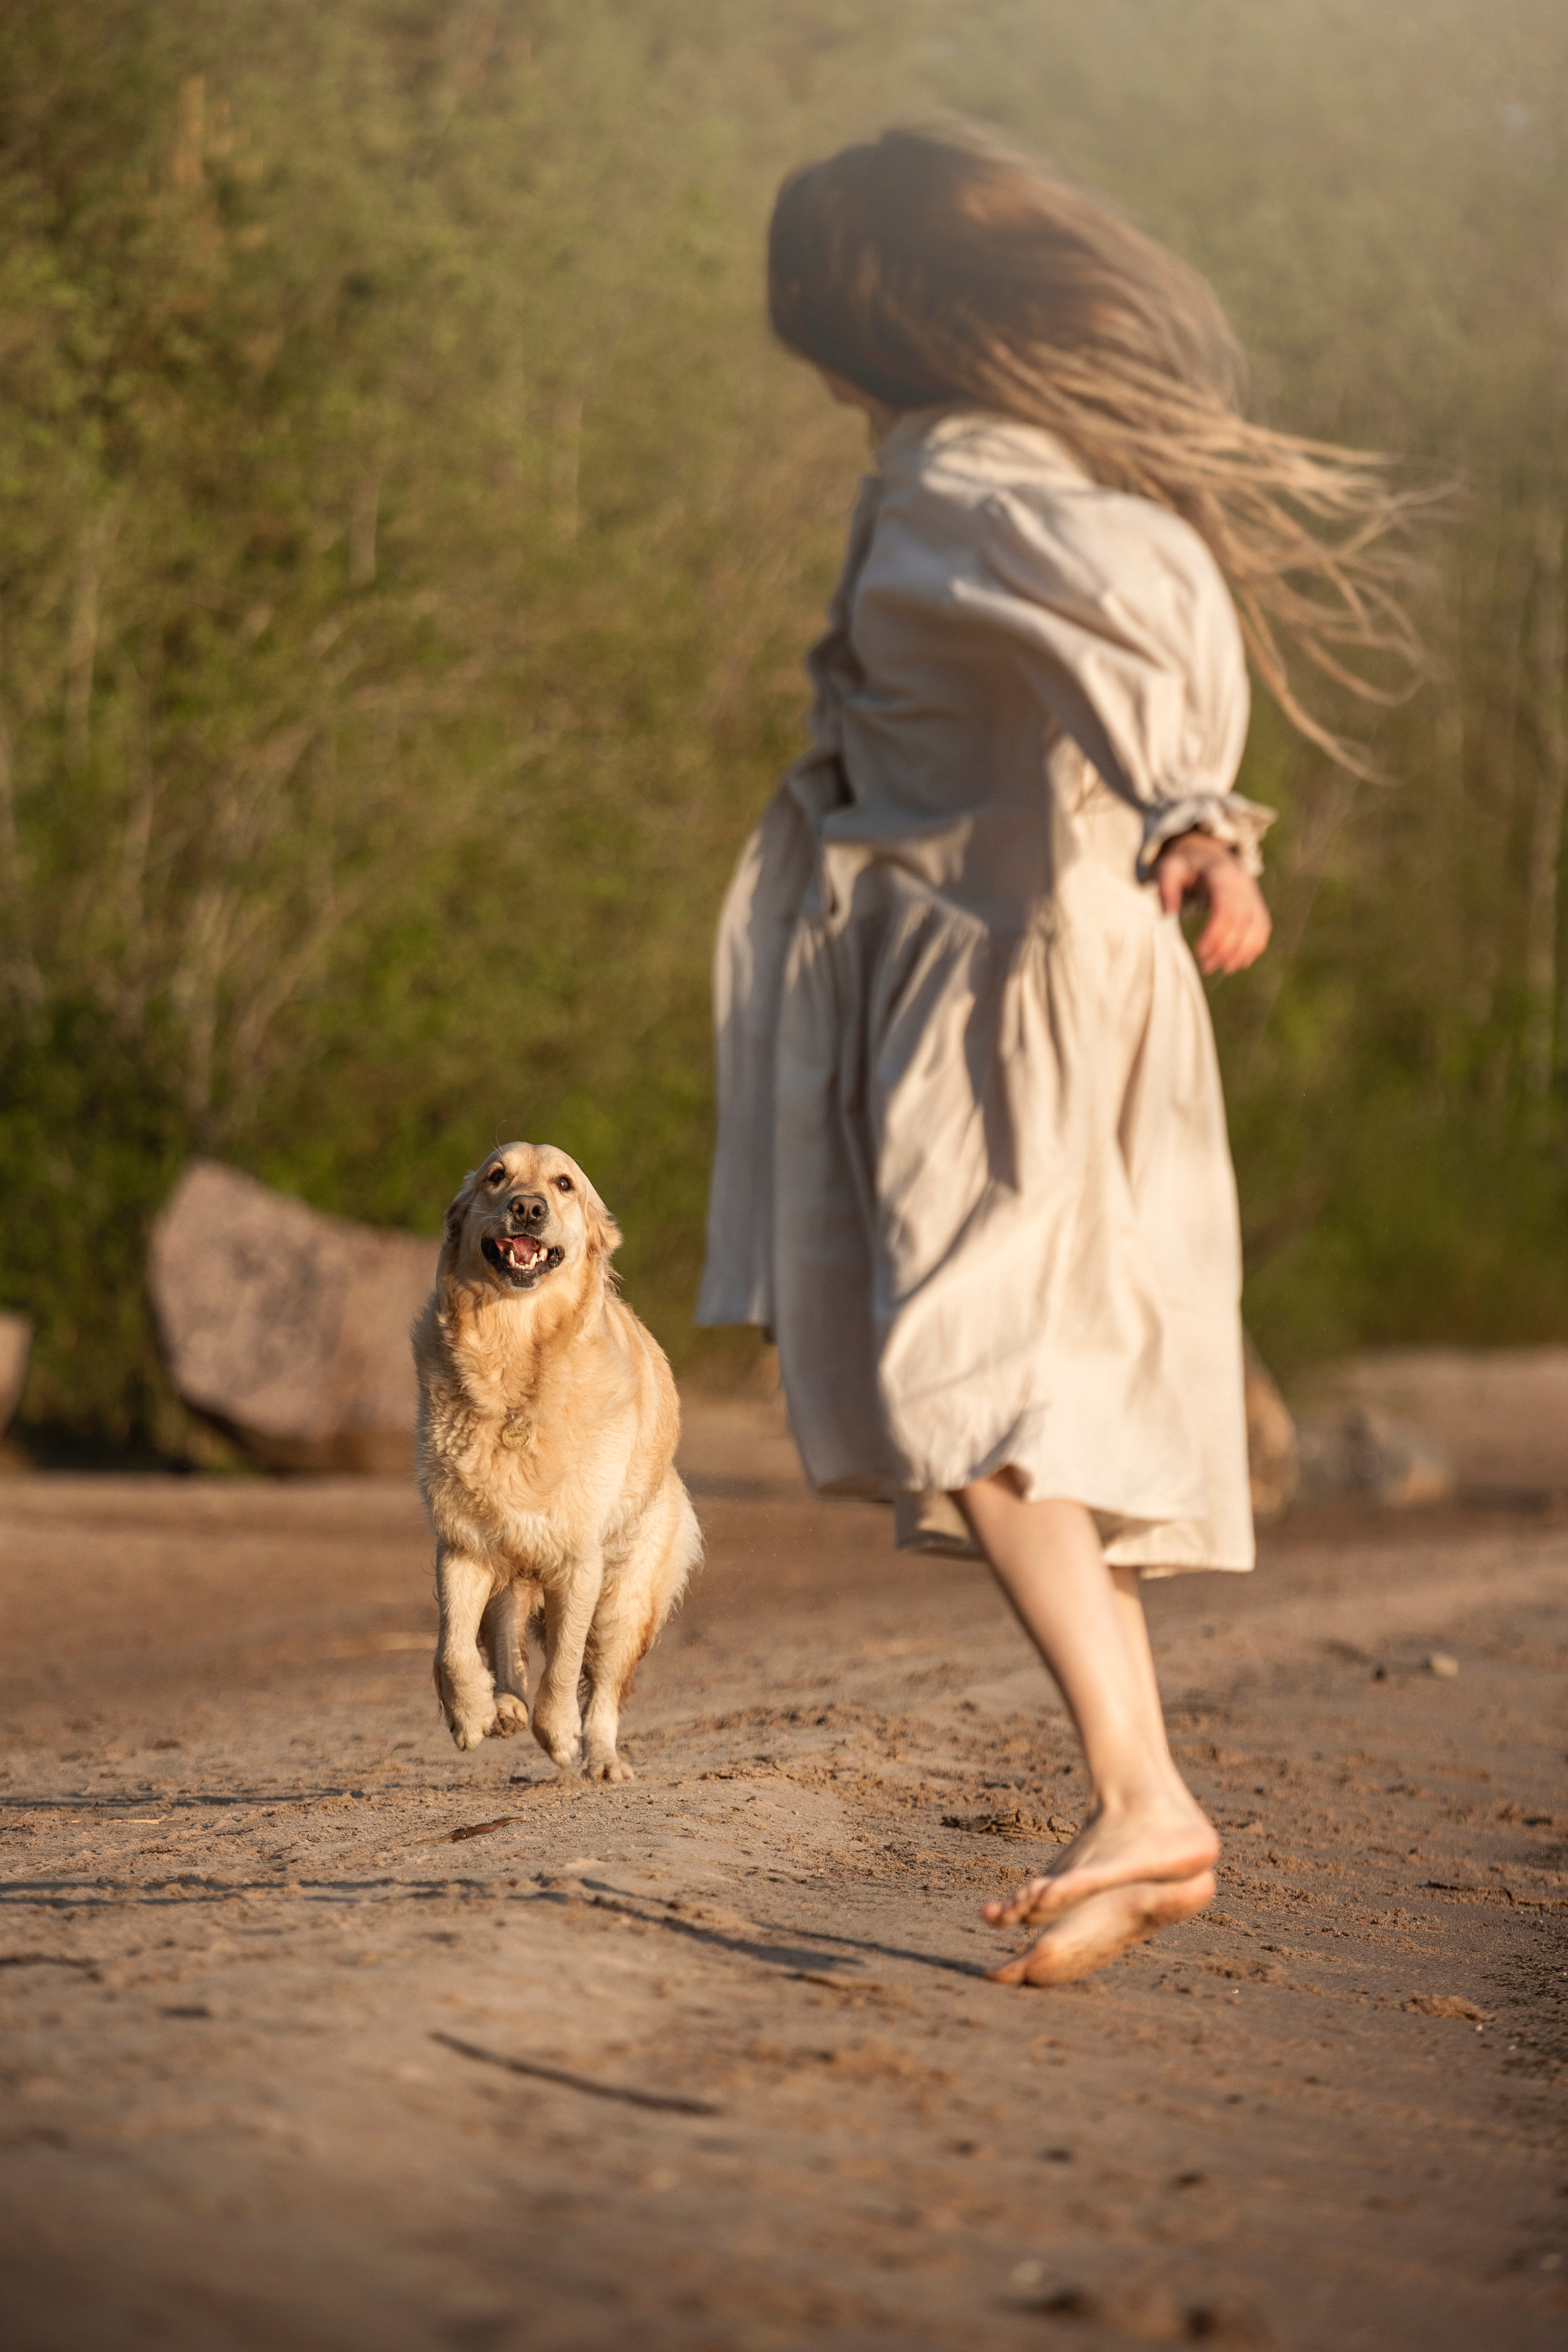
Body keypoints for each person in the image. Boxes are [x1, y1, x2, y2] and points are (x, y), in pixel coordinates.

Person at [696, 124, 1420, 1986]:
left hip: (1001, 985)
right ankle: (1139, 1797)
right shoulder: (983, 468)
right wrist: (1193, 820)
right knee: (998, 1396)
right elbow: (1141, 581)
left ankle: (1146, 1796)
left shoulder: (961, 476)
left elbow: (1132, 585)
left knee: (974, 1393)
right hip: (1021, 971)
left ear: (860, 328)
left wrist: (1198, 805)